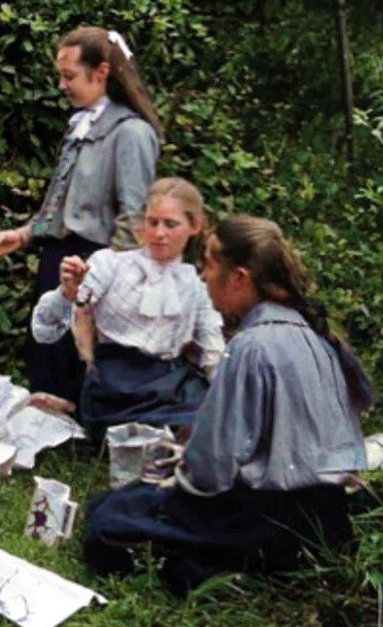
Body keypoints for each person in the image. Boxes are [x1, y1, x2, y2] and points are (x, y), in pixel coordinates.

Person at [82, 215, 373, 595]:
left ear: (239, 278)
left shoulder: (250, 346)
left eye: (210, 263)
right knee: (131, 503)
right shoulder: (315, 336)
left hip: (273, 521)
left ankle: (217, 567)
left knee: (109, 517)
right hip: (328, 519)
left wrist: (176, 471)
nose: (203, 275)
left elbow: (209, 470)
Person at [0, 27, 161, 402]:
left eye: (69, 76)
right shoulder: (81, 124)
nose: (62, 85)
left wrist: (112, 281)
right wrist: (24, 235)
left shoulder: (131, 133)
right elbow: (63, 206)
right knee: (48, 358)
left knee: (81, 362)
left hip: (95, 265)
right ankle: (50, 439)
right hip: (61, 260)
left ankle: (83, 440)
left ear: (102, 73)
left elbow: (135, 217)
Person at [31, 178, 223, 438]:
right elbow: (46, 330)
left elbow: (212, 354)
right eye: (152, 222)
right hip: (115, 385)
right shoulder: (110, 264)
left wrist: (229, 397)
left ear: (194, 226)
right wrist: (68, 292)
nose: (159, 233)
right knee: (152, 431)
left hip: (170, 384)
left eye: (171, 224)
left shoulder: (196, 286)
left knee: (209, 418)